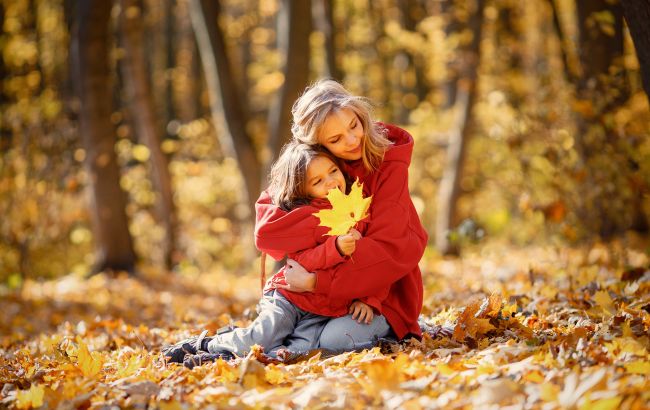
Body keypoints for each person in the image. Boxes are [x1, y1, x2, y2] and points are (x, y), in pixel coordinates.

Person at [162, 141, 381, 367]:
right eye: (317, 181)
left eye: (333, 171)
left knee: (298, 351)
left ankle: (222, 359)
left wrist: (368, 300)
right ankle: (208, 345)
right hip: (289, 297)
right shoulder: (306, 216)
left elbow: (374, 264)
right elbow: (301, 261)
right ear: (303, 189)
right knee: (264, 336)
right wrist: (334, 249)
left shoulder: (359, 210)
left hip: (324, 310)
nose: (331, 182)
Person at [271, 79, 429, 351]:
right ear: (316, 145)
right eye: (335, 139)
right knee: (276, 327)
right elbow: (268, 232)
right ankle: (210, 348)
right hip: (317, 298)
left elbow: (389, 248)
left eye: (354, 125)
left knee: (334, 340)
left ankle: (392, 331)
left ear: (360, 114)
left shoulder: (388, 165)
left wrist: (315, 281)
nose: (353, 140)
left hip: (380, 294)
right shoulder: (314, 167)